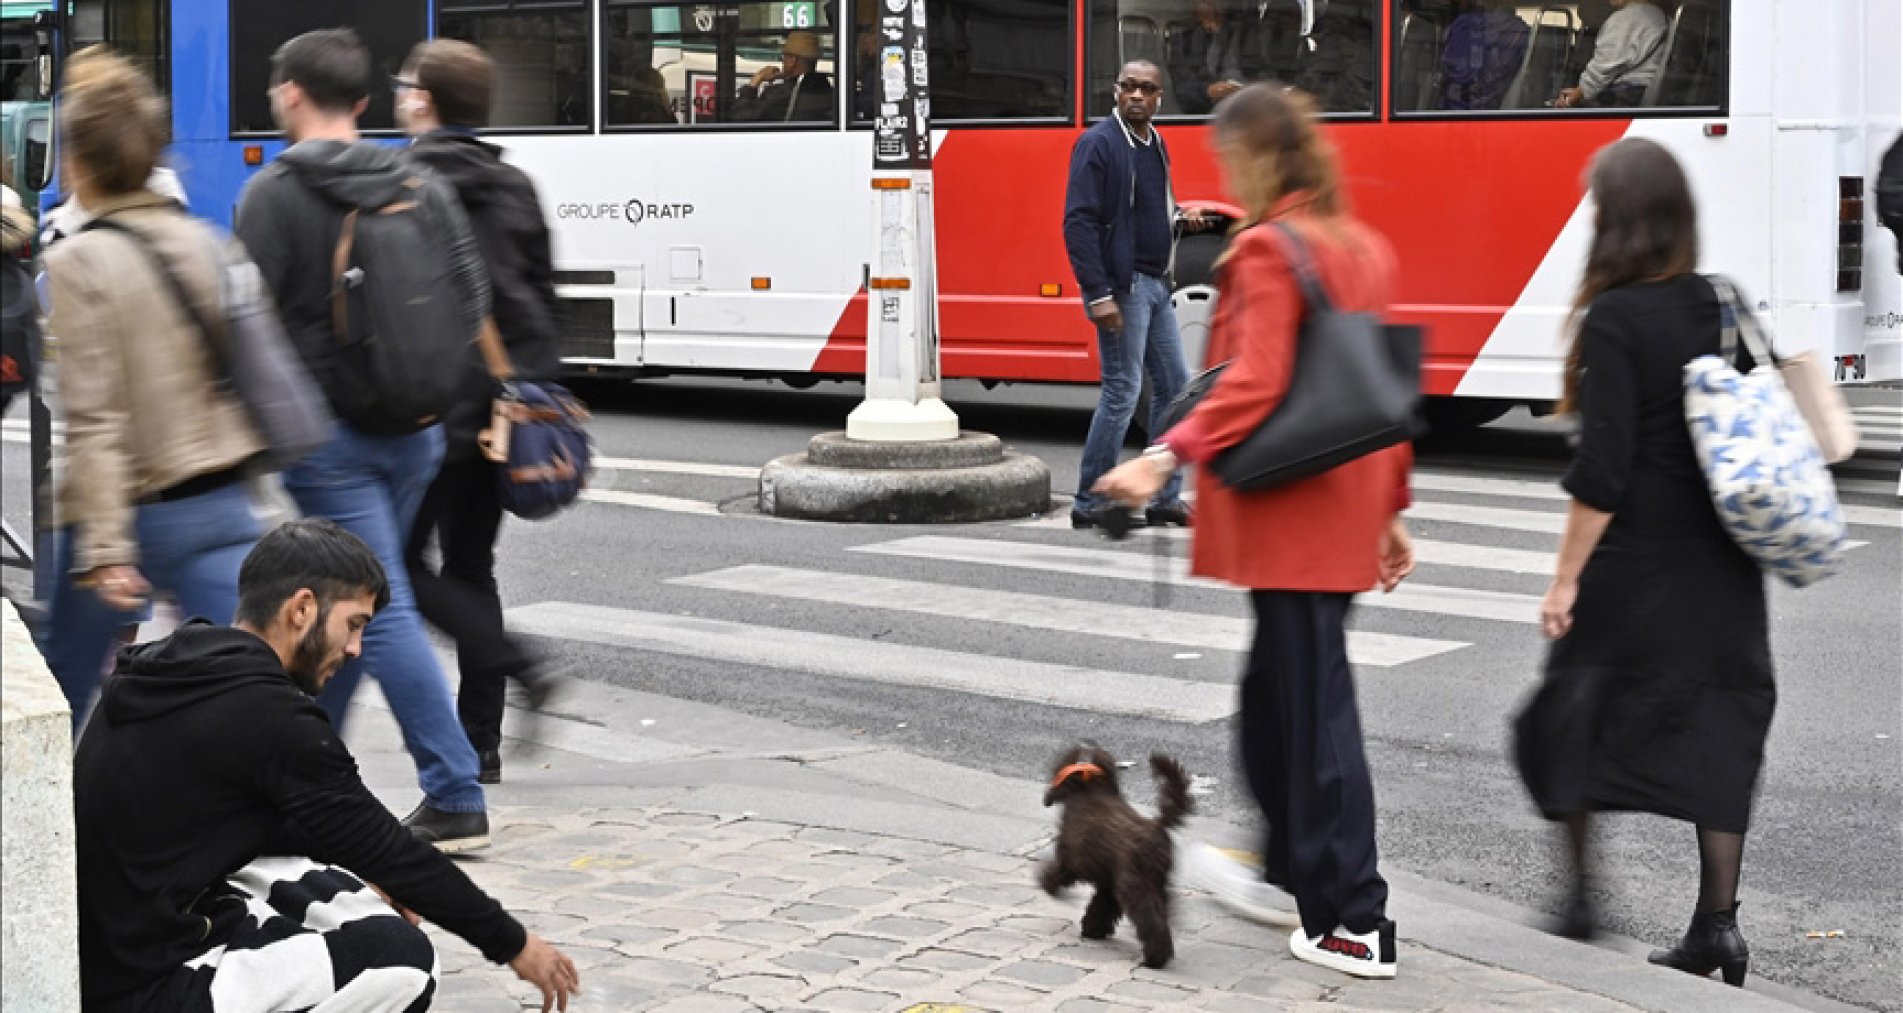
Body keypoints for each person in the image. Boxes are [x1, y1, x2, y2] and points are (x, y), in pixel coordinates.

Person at [1095, 83, 1415, 980]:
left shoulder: (1269, 254)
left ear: (1256, 159)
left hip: (1295, 517)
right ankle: (1286, 870)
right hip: (1339, 511)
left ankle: (1353, 917)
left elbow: (1257, 378)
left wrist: (1165, 455)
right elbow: (1381, 392)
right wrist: (1390, 510)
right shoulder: (1357, 245)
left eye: (1229, 157)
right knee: (1278, 708)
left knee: (1312, 724)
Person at [73, 518, 580, 1013]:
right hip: (149, 983)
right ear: (302, 608)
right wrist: (516, 946)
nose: (356, 649)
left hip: (109, 945)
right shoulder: (273, 717)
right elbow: (388, 847)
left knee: (349, 884)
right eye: (353, 625)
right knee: (404, 962)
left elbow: (321, 831)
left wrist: (385, 876)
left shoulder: (175, 662)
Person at [1517, 138, 1771, 988]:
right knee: (1718, 728)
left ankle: (1581, 894)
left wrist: (1563, 581)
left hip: (1633, 568)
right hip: (1724, 566)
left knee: (1574, 713)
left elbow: (1603, 472)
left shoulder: (1616, 317)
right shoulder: (1720, 300)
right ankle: (1717, 927)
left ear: (1615, 222)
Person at [235, 28, 495, 852]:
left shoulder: (273, 193)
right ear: (363, 102)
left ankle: (453, 788)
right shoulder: (416, 175)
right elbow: (468, 292)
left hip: (331, 438)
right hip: (418, 427)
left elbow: (251, 325)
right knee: (359, 593)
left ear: (289, 94)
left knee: (373, 610)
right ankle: (305, 768)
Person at [34, 47, 267, 730]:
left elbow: (95, 418)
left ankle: (48, 830)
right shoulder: (203, 239)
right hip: (220, 496)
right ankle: (251, 824)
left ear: (79, 162)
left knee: (63, 694)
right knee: (241, 691)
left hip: (126, 510)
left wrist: (105, 550)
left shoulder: (76, 260)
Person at [396, 38, 564, 785]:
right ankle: (481, 743)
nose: (400, 96)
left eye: (405, 86)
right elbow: (543, 292)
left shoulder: (405, 183)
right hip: (508, 410)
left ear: (425, 102)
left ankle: (514, 661)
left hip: (436, 408)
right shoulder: (514, 184)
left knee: (394, 567)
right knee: (472, 564)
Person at [1062, 59, 1194, 531]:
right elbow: (1077, 222)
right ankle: (1089, 502)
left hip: (1157, 283)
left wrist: (1180, 217)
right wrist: (1098, 293)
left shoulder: (1155, 142)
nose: (1137, 96)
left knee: (1176, 391)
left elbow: (1146, 211)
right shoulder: (1098, 143)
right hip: (1125, 286)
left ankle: (1163, 498)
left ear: (1160, 97)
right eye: (1129, 87)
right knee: (1122, 390)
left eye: (1147, 89)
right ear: (1115, 91)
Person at [1555, 0, 1666, 109]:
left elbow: (1604, 67)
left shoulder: (1625, 19)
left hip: (1625, 98)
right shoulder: (1658, 15)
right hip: (1642, 94)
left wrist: (1577, 95)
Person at [1440, 0, 1529, 111]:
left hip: (1463, 110)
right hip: (1481, 110)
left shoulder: (1465, 25)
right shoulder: (1520, 31)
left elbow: (1457, 73)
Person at [733, 29, 834, 123]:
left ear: (792, 61)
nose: (783, 61)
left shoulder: (779, 94)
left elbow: (740, 117)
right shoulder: (828, 92)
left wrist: (756, 81)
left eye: (784, 57)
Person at [1169, 0, 1250, 115]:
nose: (1211, 5)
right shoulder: (1183, 41)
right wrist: (1208, 91)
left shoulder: (1248, 34)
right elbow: (1182, 90)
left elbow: (1265, 75)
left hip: (1248, 110)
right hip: (1201, 117)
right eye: (1204, 1)